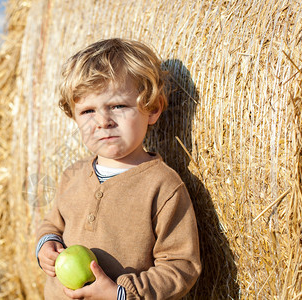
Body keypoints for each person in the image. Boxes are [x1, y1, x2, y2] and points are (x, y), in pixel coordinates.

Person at [35, 38, 201, 300]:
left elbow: (181, 266)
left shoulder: (162, 186)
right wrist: (46, 244)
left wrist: (121, 293)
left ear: (153, 108)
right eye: (88, 111)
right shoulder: (72, 176)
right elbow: (52, 224)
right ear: (73, 116)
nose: (103, 121)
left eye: (118, 106)